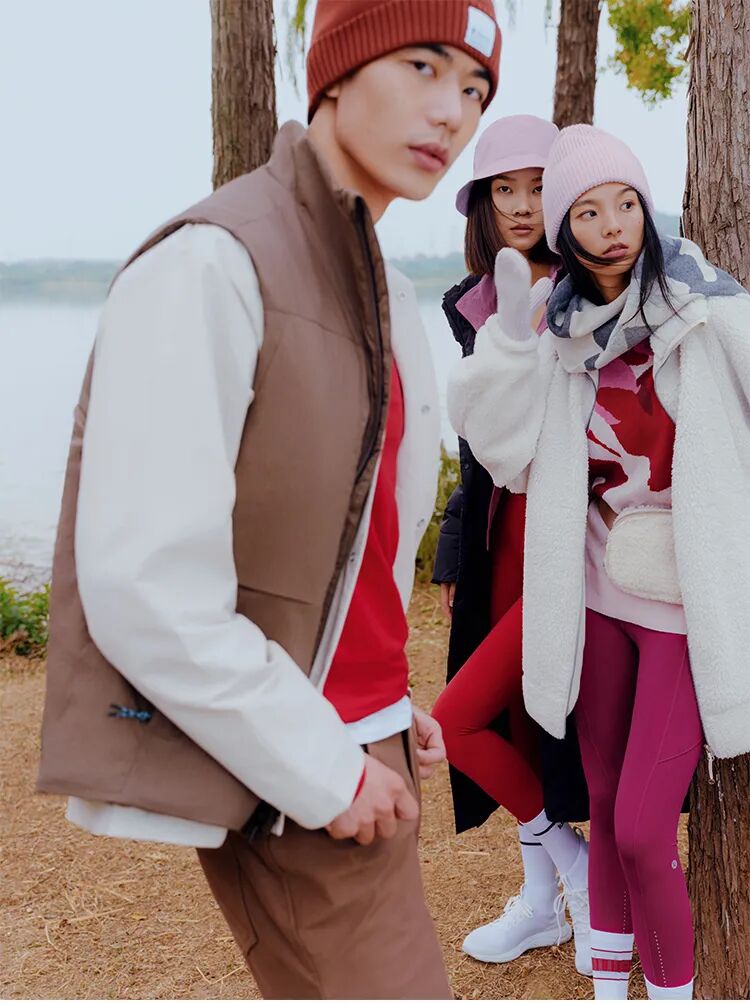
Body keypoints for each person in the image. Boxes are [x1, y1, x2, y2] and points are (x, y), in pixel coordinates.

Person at [36, 1, 503, 998]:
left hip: (362, 732)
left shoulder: (381, 285)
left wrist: (388, 704)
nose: (453, 112)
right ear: (338, 67)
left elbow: (351, 544)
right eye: (424, 66)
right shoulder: (211, 262)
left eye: (474, 89)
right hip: (293, 760)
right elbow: (145, 584)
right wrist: (325, 769)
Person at [447, 123, 750, 1001]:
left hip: (684, 603)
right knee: (609, 809)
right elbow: (501, 449)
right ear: (564, 229)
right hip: (592, 594)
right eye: (586, 211)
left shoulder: (703, 304)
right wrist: (509, 340)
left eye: (625, 203)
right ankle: (608, 990)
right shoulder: (555, 330)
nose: (612, 224)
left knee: (646, 832)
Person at [430, 114, 591, 974]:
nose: (524, 205)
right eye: (505, 189)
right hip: (501, 539)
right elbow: (472, 445)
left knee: (475, 717)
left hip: (572, 537)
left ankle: (584, 875)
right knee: (511, 724)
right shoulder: (473, 301)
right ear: (483, 204)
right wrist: (455, 551)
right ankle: (543, 899)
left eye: (538, 186)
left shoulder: (595, 285)